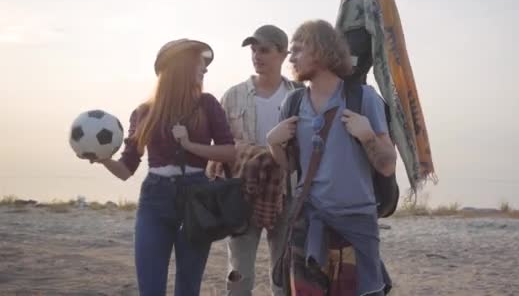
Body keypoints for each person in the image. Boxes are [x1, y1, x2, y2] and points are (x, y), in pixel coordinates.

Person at [93, 39, 236, 296]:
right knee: (150, 288)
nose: (205, 69)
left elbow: (229, 151)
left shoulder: (207, 104)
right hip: (154, 201)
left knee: (188, 288)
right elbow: (126, 170)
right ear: (180, 67)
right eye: (200, 63)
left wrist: (190, 144)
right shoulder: (143, 112)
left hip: (197, 200)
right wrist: (104, 159)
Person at [267, 20, 396, 295]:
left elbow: (386, 165)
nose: (291, 58)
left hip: (355, 223)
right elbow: (291, 167)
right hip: (307, 221)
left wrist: (368, 136)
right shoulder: (292, 103)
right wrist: (273, 144)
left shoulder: (362, 98)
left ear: (323, 51)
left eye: (299, 50)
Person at [209, 25, 302, 296]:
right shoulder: (234, 95)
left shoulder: (298, 95)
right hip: (242, 192)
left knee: (283, 270)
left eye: (264, 50)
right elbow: (221, 145)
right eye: (253, 50)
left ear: (283, 54)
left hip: (286, 192)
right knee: (238, 271)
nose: (256, 56)